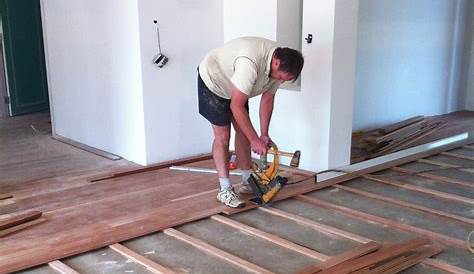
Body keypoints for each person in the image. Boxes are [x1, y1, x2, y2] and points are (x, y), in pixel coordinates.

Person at [197, 36, 304, 208]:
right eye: (281, 77)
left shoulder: (280, 66)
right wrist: (255, 140)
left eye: (285, 80)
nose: (281, 81)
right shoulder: (249, 63)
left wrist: (263, 134)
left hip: (235, 87)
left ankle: (248, 182)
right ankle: (224, 189)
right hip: (214, 81)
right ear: (275, 63)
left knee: (243, 132)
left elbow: (267, 100)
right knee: (223, 136)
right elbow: (236, 106)